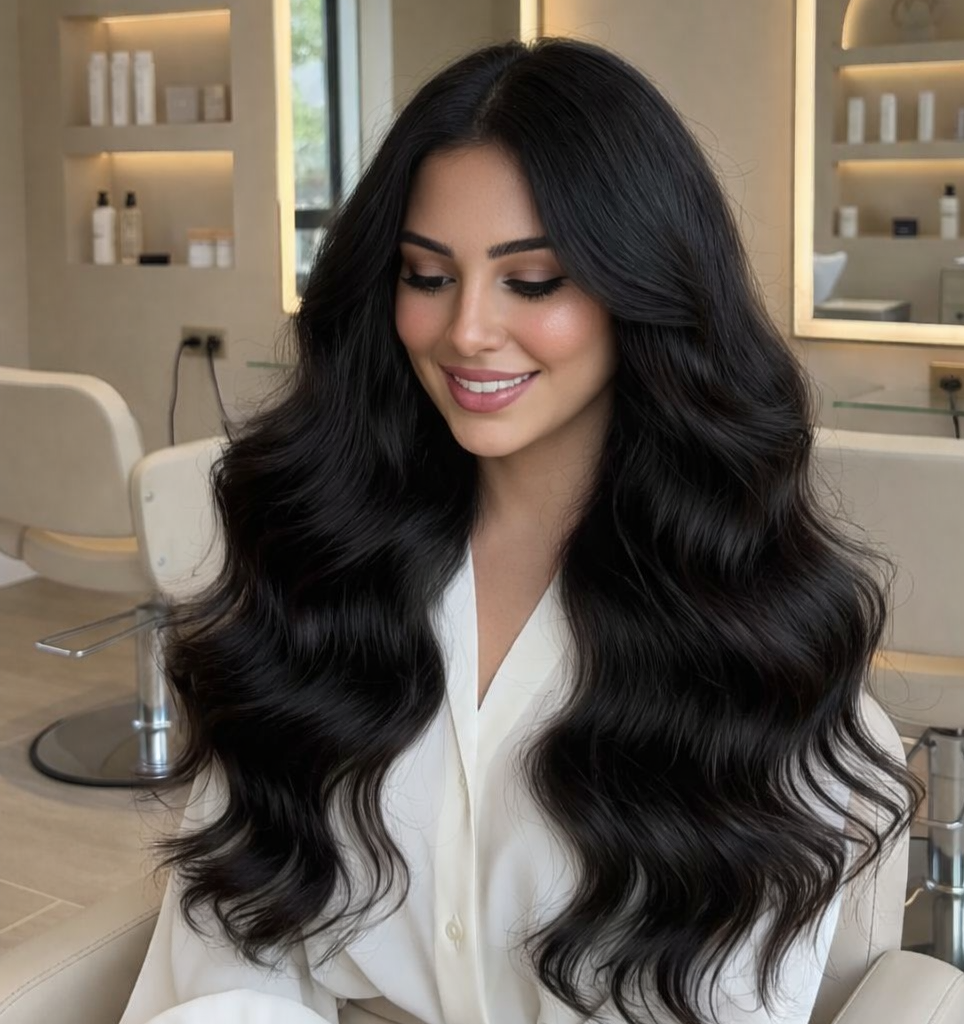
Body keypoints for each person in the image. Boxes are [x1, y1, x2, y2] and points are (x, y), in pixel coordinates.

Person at [120, 37, 919, 1024]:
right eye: (426, 275)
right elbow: (228, 952)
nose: (466, 330)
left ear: (644, 290)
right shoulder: (319, 571)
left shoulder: (752, 652)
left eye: (531, 280)